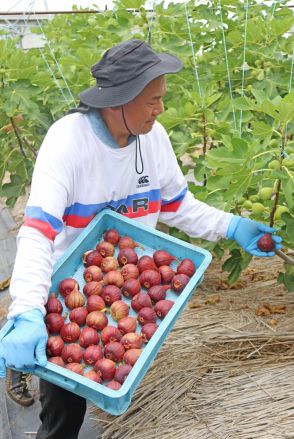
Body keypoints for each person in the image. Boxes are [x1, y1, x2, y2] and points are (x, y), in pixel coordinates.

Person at [0, 39, 282, 438]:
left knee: (111, 365)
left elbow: (175, 205)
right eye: (152, 100)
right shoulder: (67, 142)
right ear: (118, 100)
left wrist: (231, 225)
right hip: (66, 289)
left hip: (128, 288)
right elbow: (38, 230)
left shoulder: (154, 138)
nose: (160, 109)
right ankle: (25, 357)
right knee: (63, 411)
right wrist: (27, 308)